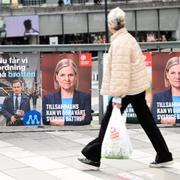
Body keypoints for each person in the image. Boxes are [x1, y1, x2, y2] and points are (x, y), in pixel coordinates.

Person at [78, 7, 173, 169]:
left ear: (111, 25)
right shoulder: (127, 38)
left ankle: (94, 155)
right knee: (147, 121)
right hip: (136, 88)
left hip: (126, 90)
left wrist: (116, 96)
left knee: (108, 122)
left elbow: (121, 73)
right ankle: (163, 154)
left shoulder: (120, 42)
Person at [42, 58, 92, 126]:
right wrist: (77, 120)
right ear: (57, 77)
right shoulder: (48, 99)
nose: (67, 79)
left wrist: (62, 122)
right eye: (62, 75)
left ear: (76, 76)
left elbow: (87, 120)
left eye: (70, 75)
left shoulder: (85, 97)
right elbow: (45, 120)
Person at [151, 57, 180, 125]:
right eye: (173, 73)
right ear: (167, 75)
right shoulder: (158, 97)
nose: (177, 77)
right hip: (167, 134)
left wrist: (175, 121)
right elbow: (153, 119)